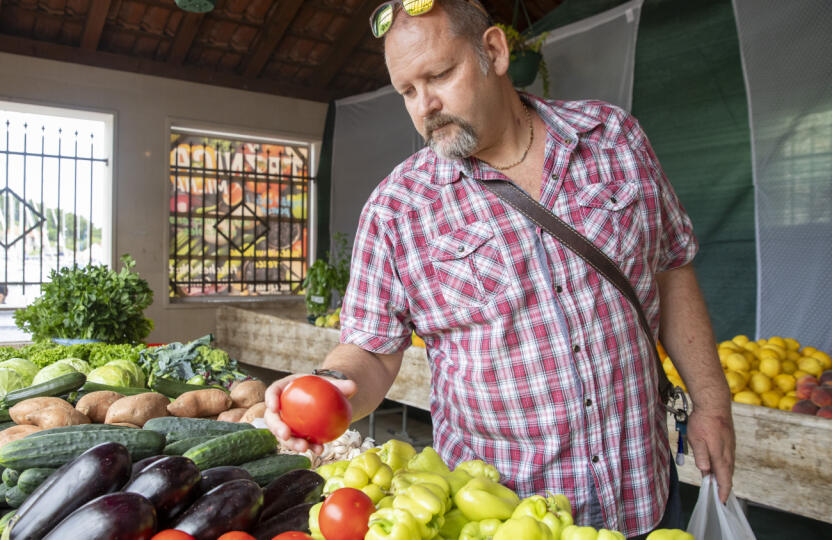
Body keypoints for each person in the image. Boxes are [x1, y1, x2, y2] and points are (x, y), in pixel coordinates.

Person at [264, 0, 735, 537]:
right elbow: (370, 350)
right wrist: (326, 386)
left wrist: (711, 400)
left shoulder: (614, 139)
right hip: (502, 518)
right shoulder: (397, 209)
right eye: (408, 92)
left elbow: (672, 268)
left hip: (643, 492)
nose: (426, 106)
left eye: (439, 74)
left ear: (494, 51)